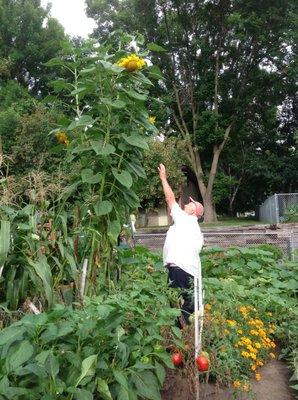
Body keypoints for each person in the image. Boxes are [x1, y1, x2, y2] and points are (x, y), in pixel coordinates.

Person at [158, 163, 204, 326]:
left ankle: (180, 343)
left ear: (193, 211)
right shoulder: (194, 228)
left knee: (177, 308)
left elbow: (169, 198)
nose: (188, 202)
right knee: (187, 307)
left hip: (180, 270)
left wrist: (163, 178)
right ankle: (189, 341)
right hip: (189, 272)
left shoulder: (185, 219)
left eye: (191, 203)